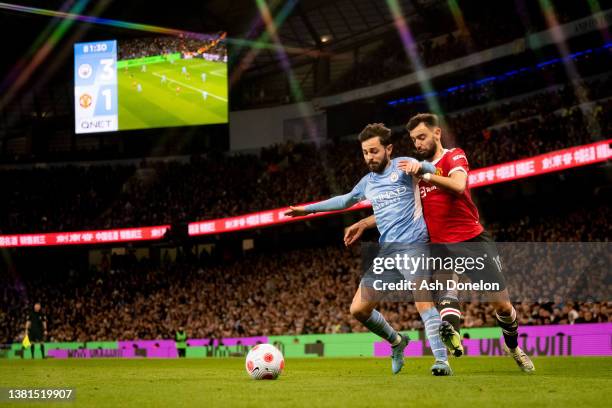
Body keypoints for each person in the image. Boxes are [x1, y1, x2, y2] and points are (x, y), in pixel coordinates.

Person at [345, 113, 535, 373]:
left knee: (502, 305)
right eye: (413, 139)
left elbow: (458, 185)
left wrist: (426, 174)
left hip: (472, 241)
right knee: (446, 297)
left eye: (422, 137)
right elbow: (396, 209)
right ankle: (450, 345)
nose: (418, 143)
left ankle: (512, 347)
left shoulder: (453, 156)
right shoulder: (414, 168)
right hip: (439, 246)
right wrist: (364, 223)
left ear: (437, 133)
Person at [285, 123, 452, 376]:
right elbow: (344, 200)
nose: (369, 157)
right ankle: (397, 342)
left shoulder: (404, 165)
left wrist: (422, 167)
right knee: (358, 309)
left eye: (374, 151)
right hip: (387, 253)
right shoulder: (367, 183)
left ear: (389, 149)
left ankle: (442, 361)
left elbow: (432, 168)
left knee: (424, 304)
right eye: (365, 152)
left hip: (414, 246)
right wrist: (306, 209)